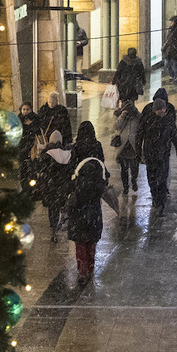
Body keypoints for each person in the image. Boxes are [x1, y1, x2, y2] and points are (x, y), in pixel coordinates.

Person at [67, 121, 108, 287]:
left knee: (80, 240)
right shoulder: (97, 146)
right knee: (91, 239)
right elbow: (103, 166)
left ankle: (82, 268)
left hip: (80, 201)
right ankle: (90, 267)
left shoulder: (76, 148)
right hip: (93, 204)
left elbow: (70, 169)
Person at [137, 88, 177, 205]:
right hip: (152, 152)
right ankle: (156, 195)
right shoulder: (149, 117)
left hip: (161, 152)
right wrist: (138, 150)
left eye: (164, 108)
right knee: (153, 177)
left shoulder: (168, 114)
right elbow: (140, 133)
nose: (163, 110)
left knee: (161, 177)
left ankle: (160, 199)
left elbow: (173, 131)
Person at [112, 97, 142, 201]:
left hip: (133, 146)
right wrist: (122, 115)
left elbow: (142, 121)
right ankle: (125, 187)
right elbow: (116, 126)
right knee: (124, 169)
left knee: (134, 167)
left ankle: (134, 181)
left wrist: (136, 112)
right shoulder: (118, 115)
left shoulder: (136, 116)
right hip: (123, 146)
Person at [15, 102, 39, 192]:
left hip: (32, 147)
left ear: (31, 110)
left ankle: (33, 187)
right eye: (23, 109)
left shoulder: (35, 119)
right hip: (22, 147)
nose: (25, 111)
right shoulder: (18, 119)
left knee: (32, 166)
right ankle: (24, 187)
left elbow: (38, 131)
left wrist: (31, 125)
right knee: (23, 168)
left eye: (27, 109)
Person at [162, 15, 177, 85]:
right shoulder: (169, 29)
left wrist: (175, 44)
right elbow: (167, 38)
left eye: (171, 21)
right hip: (168, 50)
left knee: (175, 65)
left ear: (174, 22)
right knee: (167, 64)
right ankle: (172, 76)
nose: (170, 23)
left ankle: (176, 78)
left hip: (174, 51)